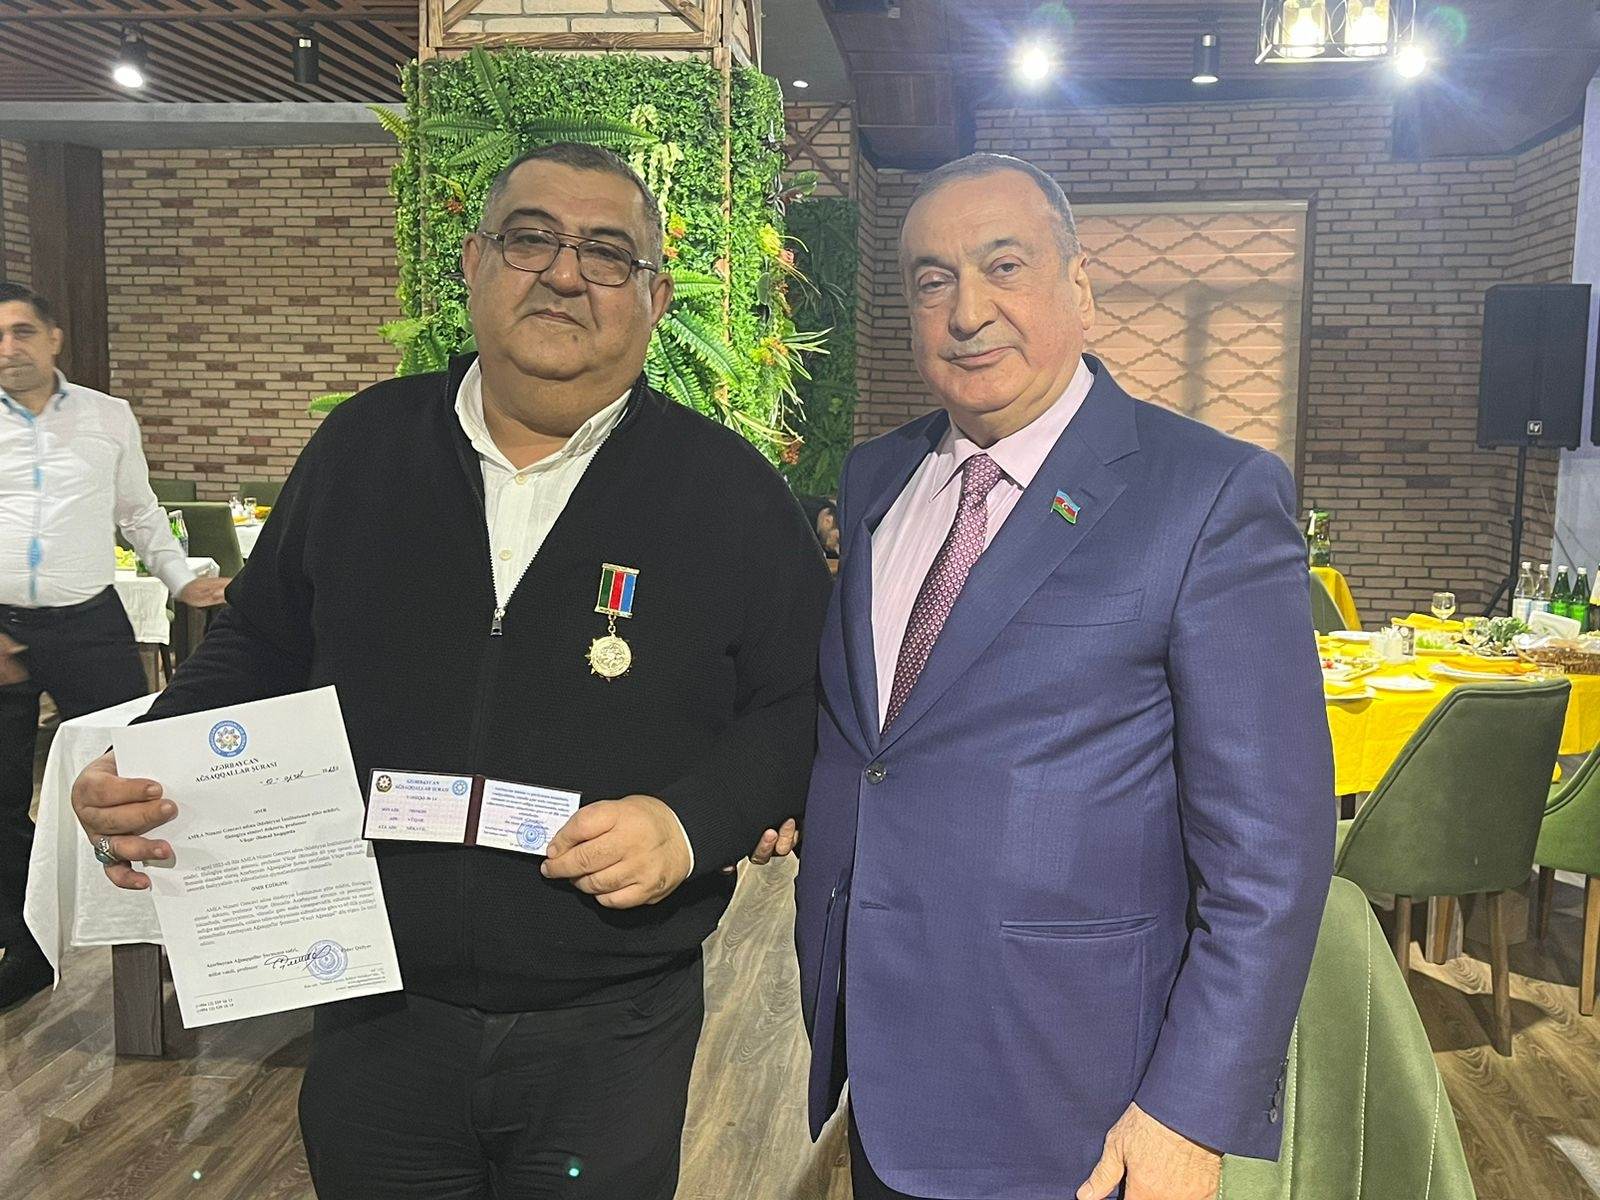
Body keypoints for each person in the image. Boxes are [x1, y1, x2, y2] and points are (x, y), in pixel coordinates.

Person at [69, 144, 831, 1198]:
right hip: (371, 1003)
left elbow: (798, 705)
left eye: (607, 254)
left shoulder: (729, 494)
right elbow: (261, 643)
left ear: (655, 299)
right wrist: (155, 759)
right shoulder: (362, 449)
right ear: (474, 262)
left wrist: (691, 823)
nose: (563, 273)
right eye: (531, 239)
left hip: (610, 1025)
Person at [791, 154, 1335, 1200]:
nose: (967, 311)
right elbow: (874, 743)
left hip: (1078, 1101)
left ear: (1080, 289)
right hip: (883, 1065)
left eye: (1005, 266)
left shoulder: (1210, 494)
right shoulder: (876, 478)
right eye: (933, 280)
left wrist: (1191, 1110)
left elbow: (1271, 851)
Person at [0, 281, 228, 1012]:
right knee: (2, 795)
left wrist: (182, 579)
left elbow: (138, 511)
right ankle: (25, 946)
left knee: (140, 777)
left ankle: (166, 939)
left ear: (54, 337)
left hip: (90, 625)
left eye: (21, 331)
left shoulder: (106, 416)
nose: (8, 348)